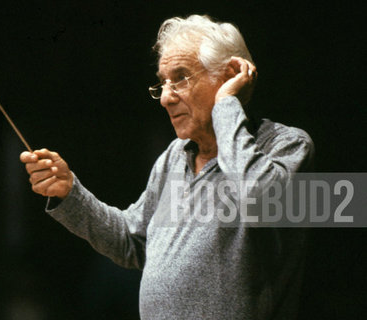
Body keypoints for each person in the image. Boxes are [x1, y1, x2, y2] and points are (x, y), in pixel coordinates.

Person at [20, 14, 314, 320]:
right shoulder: (174, 156)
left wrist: (228, 105)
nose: (165, 98)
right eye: (162, 83)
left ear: (229, 76)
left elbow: (259, 199)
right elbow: (130, 240)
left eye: (181, 78)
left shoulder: (286, 146)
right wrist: (70, 193)